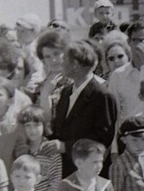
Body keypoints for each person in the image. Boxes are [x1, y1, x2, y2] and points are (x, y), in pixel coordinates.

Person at [50, 41, 118, 177]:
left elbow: (102, 138)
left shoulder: (102, 95)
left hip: (89, 173)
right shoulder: (66, 91)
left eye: (64, 59)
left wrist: (66, 147)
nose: (61, 63)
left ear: (74, 64)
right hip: (65, 171)